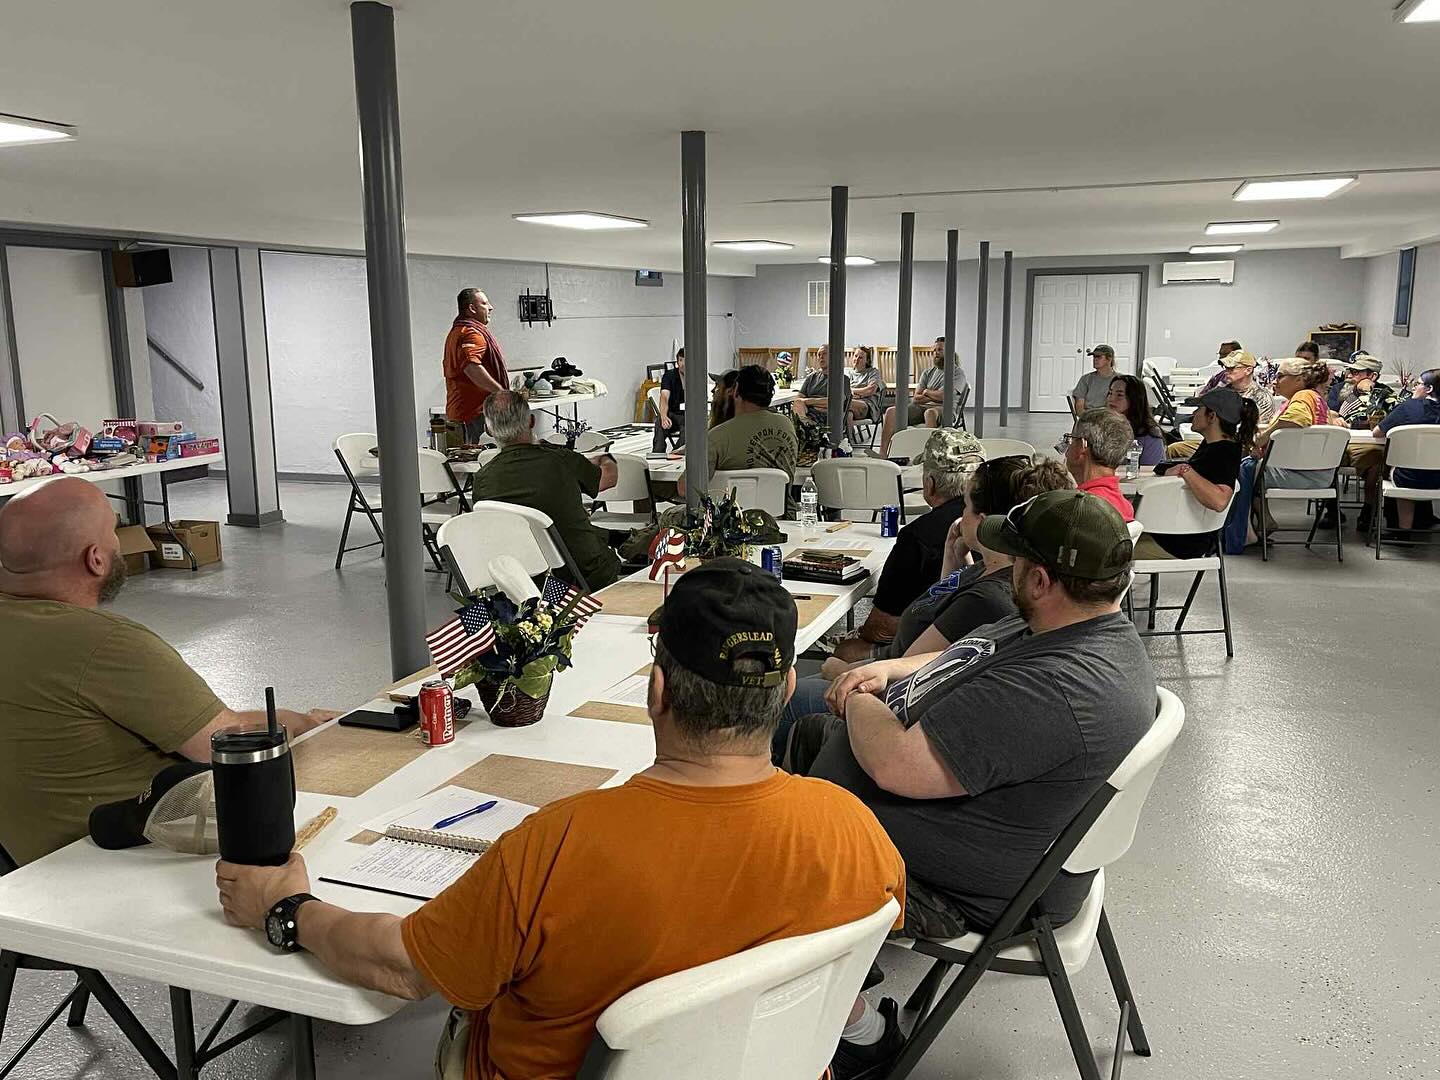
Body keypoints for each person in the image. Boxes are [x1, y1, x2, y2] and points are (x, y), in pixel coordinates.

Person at [214, 559, 906, 1080]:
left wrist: (288, 909)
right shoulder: (855, 830)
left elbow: (402, 970)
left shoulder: (560, 844)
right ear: (787, 691)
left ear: (656, 691)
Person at [785, 490, 1153, 972]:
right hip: (961, 825)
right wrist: (891, 669)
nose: (1005, 567)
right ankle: (829, 960)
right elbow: (968, 653)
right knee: (810, 736)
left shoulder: (1054, 688)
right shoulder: (1067, 625)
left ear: (1040, 580)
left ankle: (842, 1006)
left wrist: (857, 695)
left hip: (954, 890)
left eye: (1016, 560)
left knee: (761, 839)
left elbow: (896, 765)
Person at [0, 479, 333, 866]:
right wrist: (302, 723)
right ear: (96, 559)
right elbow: (225, 744)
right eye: (113, 531)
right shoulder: (103, 644)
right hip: (117, 857)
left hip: (25, 859)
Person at [776, 456, 1072, 755]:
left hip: (877, 695)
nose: (959, 515)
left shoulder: (984, 600)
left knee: (778, 700)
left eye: (965, 506)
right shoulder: (985, 569)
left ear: (984, 522)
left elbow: (910, 673)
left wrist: (841, 670)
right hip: (875, 675)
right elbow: (941, 604)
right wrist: (953, 555)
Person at [830, 429, 985, 662]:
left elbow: (881, 627)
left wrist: (860, 633)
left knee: (845, 652)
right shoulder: (1000, 522)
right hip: (989, 642)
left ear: (930, 483)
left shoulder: (919, 535)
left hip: (935, 653)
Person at [473, 391, 622, 588]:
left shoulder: (482, 479)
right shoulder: (562, 460)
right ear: (531, 421)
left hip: (524, 580)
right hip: (582, 574)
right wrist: (606, 458)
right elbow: (608, 479)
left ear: (488, 430)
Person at [1222, 357, 1331, 554]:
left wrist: (1262, 439)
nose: (1275, 380)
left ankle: (1243, 532)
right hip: (1321, 474)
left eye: (1280, 376)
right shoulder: (1315, 397)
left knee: (1237, 469)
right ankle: (1263, 520)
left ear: (1299, 379)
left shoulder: (1303, 397)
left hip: (1301, 474)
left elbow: (1296, 419)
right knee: (1252, 467)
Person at [1134, 388, 1257, 559]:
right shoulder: (1213, 446)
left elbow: (1220, 501)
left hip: (1181, 542)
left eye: (1199, 409)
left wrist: (1186, 471)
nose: (1193, 414)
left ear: (1212, 416)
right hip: (1175, 534)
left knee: (1106, 549)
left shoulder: (1224, 453)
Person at [676, 365, 798, 499]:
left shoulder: (718, 436)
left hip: (733, 511)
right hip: (782, 510)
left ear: (736, 391)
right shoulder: (787, 425)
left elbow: (685, 489)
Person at [1364, 368, 1440, 532]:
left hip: (1408, 478)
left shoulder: (1408, 407)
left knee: (1393, 468)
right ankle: (1423, 520)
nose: (1414, 387)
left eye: (1418, 384)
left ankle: (1402, 530)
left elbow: (1377, 433)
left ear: (1429, 389)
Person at [1169, 349, 1275, 460]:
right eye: (1226, 368)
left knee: (1176, 450)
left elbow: (1258, 434)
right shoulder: (1224, 390)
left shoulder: (1262, 398)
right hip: (1214, 442)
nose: (1226, 371)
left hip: (1239, 449)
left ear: (1248, 370)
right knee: (1174, 448)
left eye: (1231, 368)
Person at [444, 288, 509, 444]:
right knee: (473, 456)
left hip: (459, 412)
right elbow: (471, 367)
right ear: (472, 308)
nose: (491, 307)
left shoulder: (457, 331)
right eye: (484, 304)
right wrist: (500, 392)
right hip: (472, 414)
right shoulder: (471, 333)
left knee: (461, 456)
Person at [879, 337, 957, 455]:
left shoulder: (957, 373)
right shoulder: (928, 372)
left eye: (940, 350)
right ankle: (883, 454)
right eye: (934, 350)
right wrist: (933, 395)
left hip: (944, 409)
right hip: (920, 407)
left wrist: (926, 392)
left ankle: (930, 455)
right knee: (891, 411)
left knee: (930, 413)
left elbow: (945, 397)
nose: (935, 353)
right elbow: (916, 398)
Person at [1062, 408, 1136, 522]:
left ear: (1082, 445)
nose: (1067, 449)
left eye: (1071, 439)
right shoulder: (1126, 507)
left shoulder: (1075, 510)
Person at [1106, 374, 1166, 465]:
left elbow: (1151, 469)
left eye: (1119, 395)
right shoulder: (1102, 426)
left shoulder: (1149, 434)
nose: (1111, 399)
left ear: (1134, 398)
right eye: (1110, 393)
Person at [1328, 353, 1396, 429]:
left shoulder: (1386, 393)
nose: (1349, 376)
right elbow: (1331, 413)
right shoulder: (1339, 388)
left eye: (1355, 372)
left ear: (1372, 376)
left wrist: (1367, 393)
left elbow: (1377, 421)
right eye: (1349, 371)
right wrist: (1335, 420)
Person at [792, 344, 852, 423]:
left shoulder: (842, 379)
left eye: (824, 354)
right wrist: (817, 403)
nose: (821, 357)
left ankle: (805, 425)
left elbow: (836, 403)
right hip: (808, 411)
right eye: (819, 355)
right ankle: (806, 424)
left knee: (799, 411)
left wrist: (807, 402)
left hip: (828, 415)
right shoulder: (811, 377)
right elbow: (798, 399)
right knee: (797, 405)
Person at [651, 347, 686, 453]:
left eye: (686, 360)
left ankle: (677, 452)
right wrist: (663, 416)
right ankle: (657, 453)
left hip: (688, 416)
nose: (683, 364)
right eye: (680, 360)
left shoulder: (696, 377)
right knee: (659, 422)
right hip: (672, 413)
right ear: (677, 362)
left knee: (690, 426)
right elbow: (664, 397)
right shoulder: (669, 376)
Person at [1070, 344, 1117, 415]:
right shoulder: (1086, 379)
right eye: (1094, 356)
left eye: (1099, 357)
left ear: (1109, 359)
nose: (1095, 359)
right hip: (1089, 416)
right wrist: (1086, 417)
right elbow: (1079, 406)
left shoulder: (1119, 380)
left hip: (1110, 417)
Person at [847, 346, 886, 425]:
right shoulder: (847, 372)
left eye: (860, 357)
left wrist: (851, 391)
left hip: (867, 405)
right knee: (848, 414)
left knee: (840, 403)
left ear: (867, 360)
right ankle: (848, 433)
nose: (856, 359)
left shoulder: (873, 372)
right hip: (850, 403)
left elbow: (870, 390)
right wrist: (859, 393)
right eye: (855, 356)